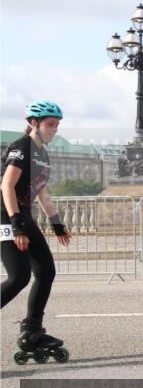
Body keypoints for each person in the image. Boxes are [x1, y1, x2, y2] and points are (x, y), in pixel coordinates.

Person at [2, 100, 72, 364]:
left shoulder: (43, 154)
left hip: (24, 218)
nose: (55, 129)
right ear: (33, 123)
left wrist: (56, 223)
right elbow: (7, 186)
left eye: (57, 125)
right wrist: (16, 225)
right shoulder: (21, 148)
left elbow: (41, 192)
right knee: (18, 276)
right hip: (6, 218)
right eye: (50, 124)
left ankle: (32, 332)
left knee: (46, 271)